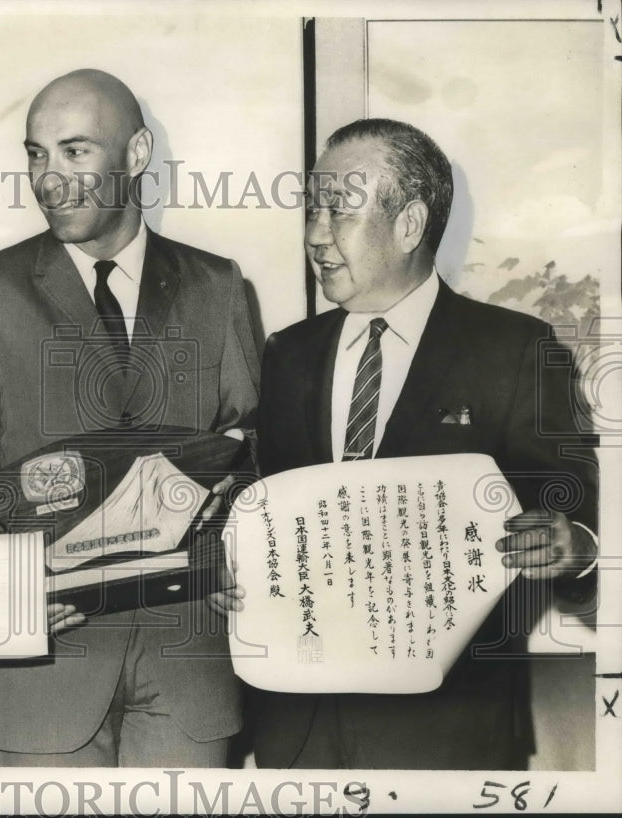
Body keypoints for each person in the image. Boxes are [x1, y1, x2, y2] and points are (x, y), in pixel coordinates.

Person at [247, 117, 598, 769]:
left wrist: (571, 544)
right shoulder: (286, 355)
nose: (314, 236)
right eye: (312, 209)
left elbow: (574, 508)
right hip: (300, 734)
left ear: (409, 224)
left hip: (447, 735)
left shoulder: (517, 351)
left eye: (338, 212)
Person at [0, 69, 260, 766]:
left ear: (136, 153)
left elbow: (251, 453)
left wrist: (241, 537)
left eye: (75, 152)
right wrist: (4, 598)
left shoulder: (218, 284)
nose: (49, 178)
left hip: (190, 663)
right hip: (41, 667)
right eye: (35, 154)